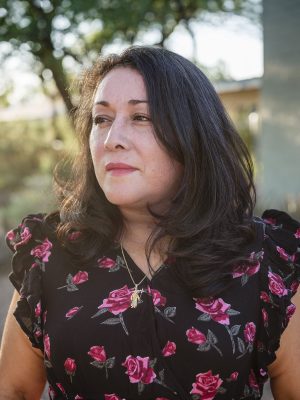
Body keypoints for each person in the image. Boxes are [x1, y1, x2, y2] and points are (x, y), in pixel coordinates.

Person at [0, 46, 299, 400]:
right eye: (101, 119)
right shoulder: (50, 254)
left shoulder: (263, 258)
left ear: (194, 134)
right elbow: (13, 389)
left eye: (141, 117)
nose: (112, 140)